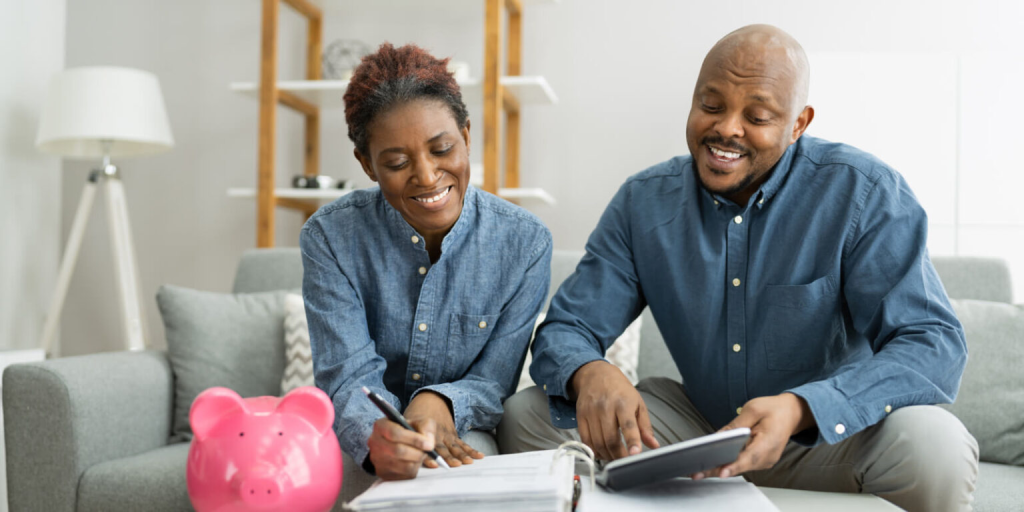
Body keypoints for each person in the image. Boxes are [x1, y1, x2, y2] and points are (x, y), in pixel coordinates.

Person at [498, 24, 978, 512]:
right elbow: (568, 328)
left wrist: (802, 407)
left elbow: (932, 343)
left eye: (758, 115)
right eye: (711, 105)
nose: (727, 128)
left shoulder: (864, 192)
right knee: (525, 417)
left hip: (824, 437)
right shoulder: (642, 203)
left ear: (798, 124)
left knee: (937, 447)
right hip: (696, 430)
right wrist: (590, 371)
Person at [301, 43, 552, 481]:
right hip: (364, 428)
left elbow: (493, 382)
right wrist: (374, 433)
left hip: (461, 426)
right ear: (367, 164)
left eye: (442, 149)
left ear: (467, 136)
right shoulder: (330, 237)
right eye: (397, 163)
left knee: (450, 476)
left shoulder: (525, 244)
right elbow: (346, 377)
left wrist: (438, 402)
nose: (427, 175)